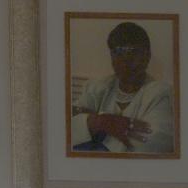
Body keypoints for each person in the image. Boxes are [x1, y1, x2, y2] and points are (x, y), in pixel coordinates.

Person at [71, 21, 175, 155]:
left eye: (134, 51)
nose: (125, 59)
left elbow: (148, 147)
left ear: (147, 56)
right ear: (111, 57)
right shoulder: (95, 87)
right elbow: (65, 129)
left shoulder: (162, 93)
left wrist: (92, 123)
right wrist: (101, 121)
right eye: (118, 51)